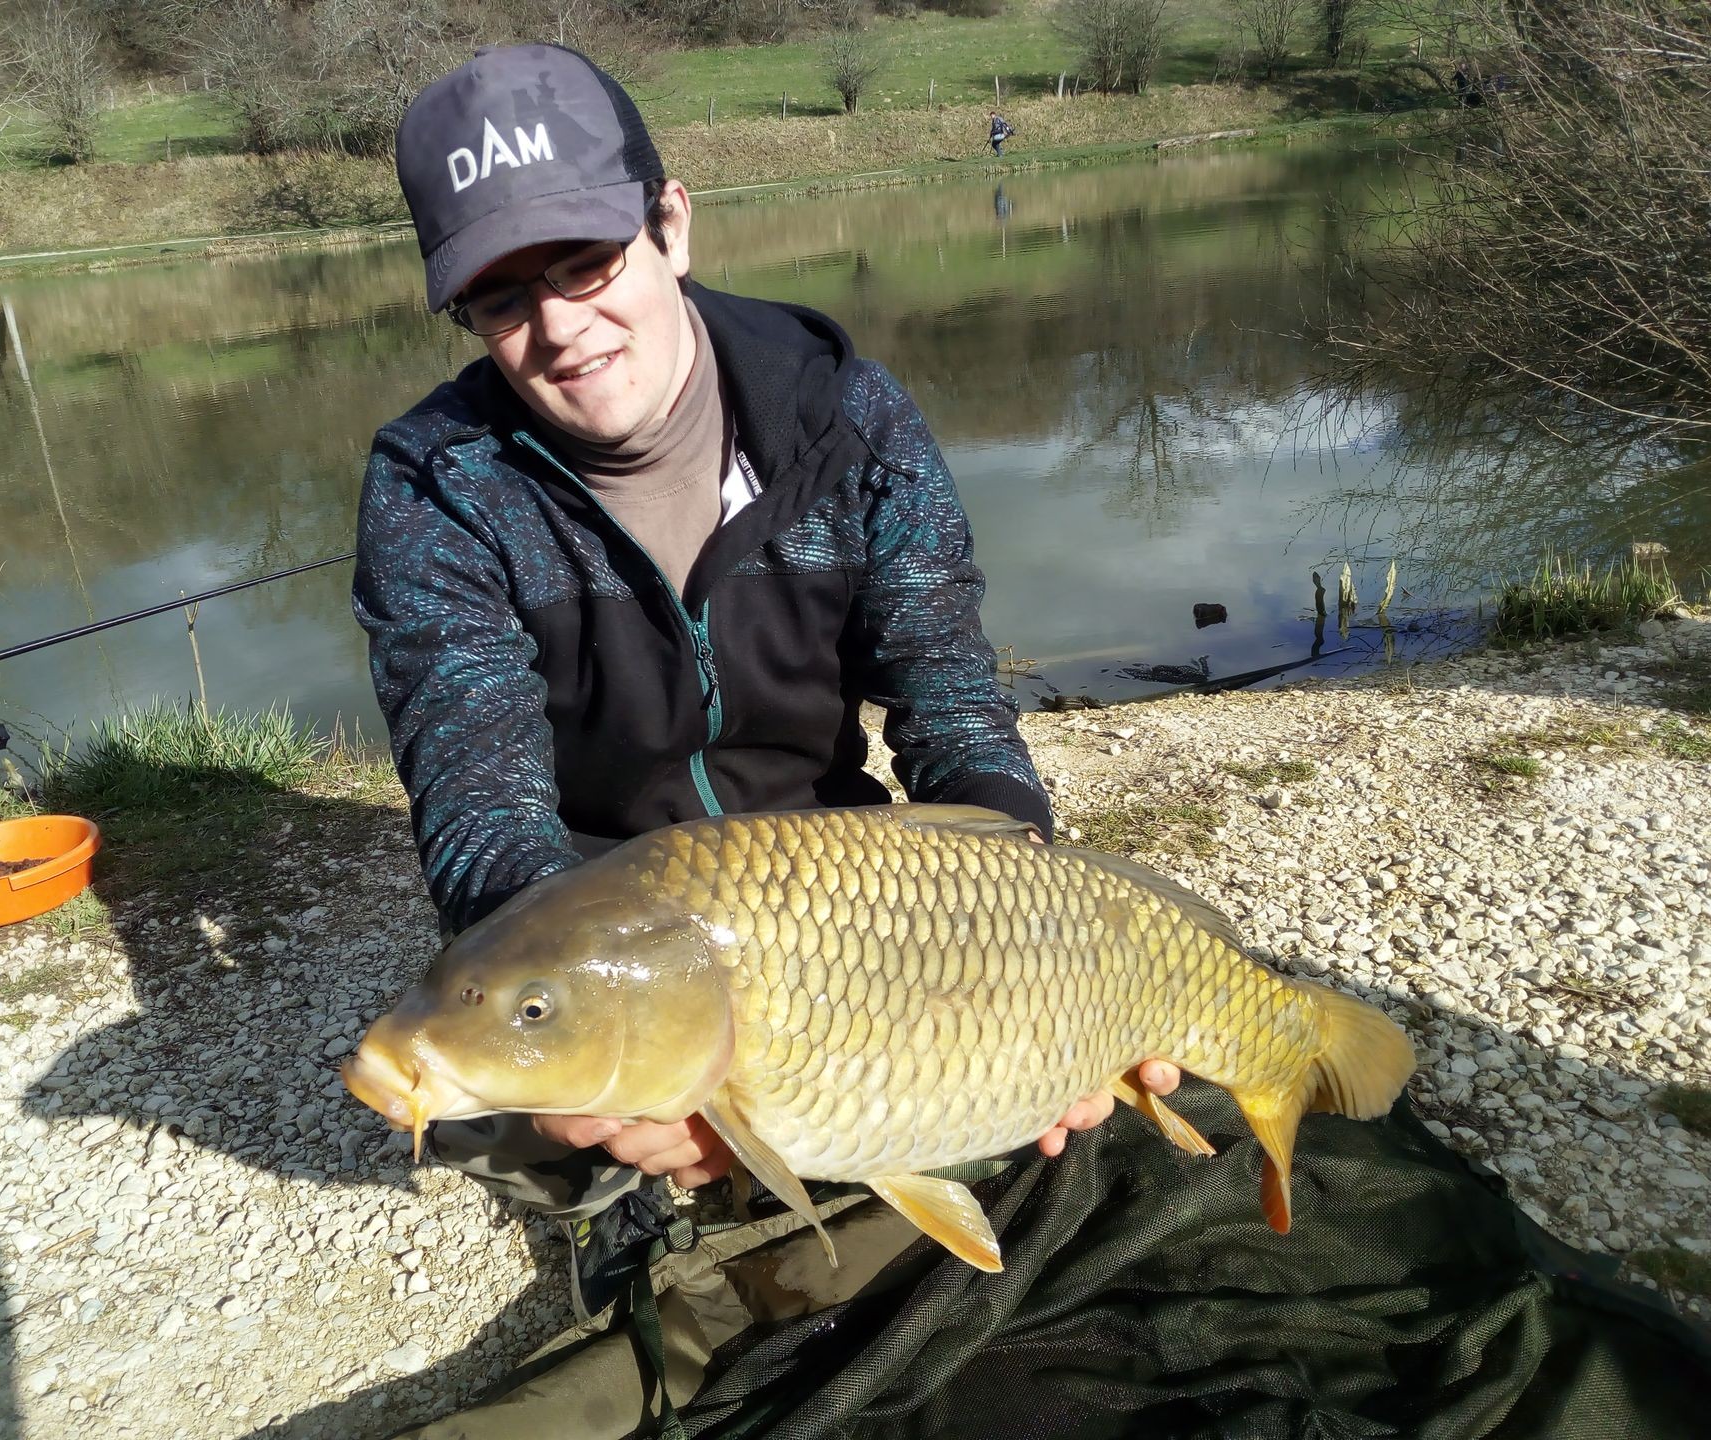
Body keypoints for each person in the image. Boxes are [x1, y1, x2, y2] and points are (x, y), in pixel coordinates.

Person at [354, 44, 1176, 1320]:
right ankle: (610, 1205)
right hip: (585, 890)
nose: (561, 327)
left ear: (668, 224)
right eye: (503, 299)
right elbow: (474, 794)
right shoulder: (435, 485)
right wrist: (624, 1071)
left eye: (586, 263)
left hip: (828, 887)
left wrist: (1035, 946)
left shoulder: (848, 419)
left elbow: (949, 697)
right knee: (507, 1082)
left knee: (996, 1074)